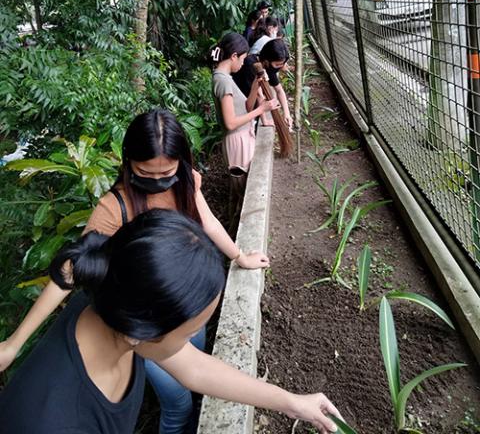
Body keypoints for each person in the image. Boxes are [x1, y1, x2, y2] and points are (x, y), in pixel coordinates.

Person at [0, 109, 269, 434]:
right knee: (177, 401)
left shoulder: (187, 181)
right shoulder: (114, 209)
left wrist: (240, 255)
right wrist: (14, 343)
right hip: (147, 325)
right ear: (128, 162)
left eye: (166, 173)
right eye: (146, 173)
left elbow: (208, 221)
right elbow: (74, 268)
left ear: (182, 163)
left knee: (192, 369)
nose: (157, 184)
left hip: (186, 310)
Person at [0, 211, 342, 434]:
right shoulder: (50, 420)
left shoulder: (113, 309)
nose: (192, 342)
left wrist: (293, 402)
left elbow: (195, 368)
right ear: (142, 332)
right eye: (190, 332)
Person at [210, 33, 279, 226]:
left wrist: (256, 86)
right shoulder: (223, 81)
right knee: (241, 192)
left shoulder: (225, 78)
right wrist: (261, 109)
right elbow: (230, 123)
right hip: (236, 143)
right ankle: (233, 232)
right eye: (241, 58)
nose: (242, 64)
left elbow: (245, 108)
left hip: (242, 138)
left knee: (240, 192)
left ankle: (233, 230)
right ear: (233, 56)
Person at [233, 38, 292, 131]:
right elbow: (258, 95)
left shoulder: (268, 65)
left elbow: (279, 90)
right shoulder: (251, 65)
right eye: (277, 65)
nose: (279, 68)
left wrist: (287, 114)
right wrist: (264, 120)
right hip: (240, 106)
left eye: (281, 64)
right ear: (267, 60)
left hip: (250, 107)